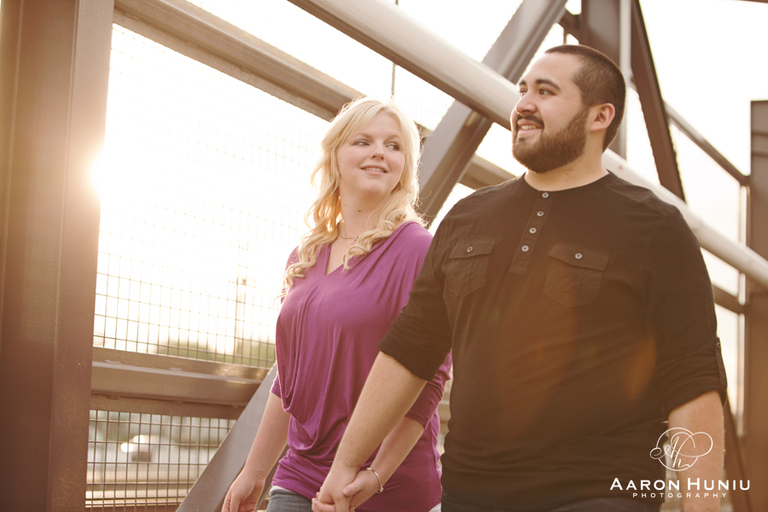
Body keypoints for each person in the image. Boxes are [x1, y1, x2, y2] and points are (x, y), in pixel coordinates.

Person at [313, 45, 727, 512]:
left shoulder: (655, 227)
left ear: (600, 116)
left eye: (546, 92)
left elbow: (693, 377)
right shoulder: (467, 217)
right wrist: (346, 464)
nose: (523, 104)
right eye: (523, 90)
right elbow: (411, 350)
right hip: (471, 495)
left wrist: (701, 505)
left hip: (599, 494)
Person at [221, 97, 451, 512]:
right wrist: (254, 472)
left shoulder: (418, 250)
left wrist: (376, 474)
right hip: (299, 475)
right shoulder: (304, 256)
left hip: (387, 484)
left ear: (405, 167)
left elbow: (430, 377)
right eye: (363, 141)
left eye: (394, 146)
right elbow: (288, 381)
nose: (379, 152)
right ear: (336, 157)